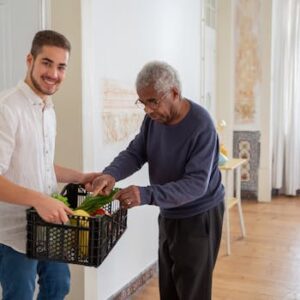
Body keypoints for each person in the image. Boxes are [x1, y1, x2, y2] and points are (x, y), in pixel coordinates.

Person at [89, 61, 225, 300]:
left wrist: (145, 194)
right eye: (143, 102)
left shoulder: (201, 125)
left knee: (193, 292)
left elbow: (196, 184)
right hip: (170, 212)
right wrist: (110, 174)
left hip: (199, 217)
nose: (148, 110)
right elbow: (136, 152)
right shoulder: (153, 121)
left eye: (153, 101)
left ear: (174, 93)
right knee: (169, 288)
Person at [0, 30, 99, 300]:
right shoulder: (7, 108)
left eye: (61, 66)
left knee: (58, 285)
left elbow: (37, 163)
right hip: (12, 233)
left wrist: (80, 176)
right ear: (30, 60)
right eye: (46, 63)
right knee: (19, 295)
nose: (53, 73)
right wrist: (39, 200)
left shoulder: (47, 108)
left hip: (48, 225)